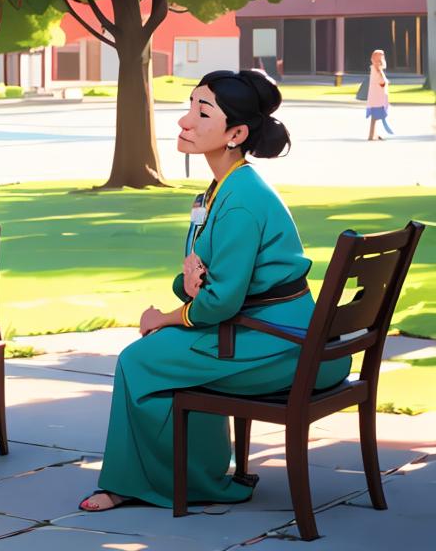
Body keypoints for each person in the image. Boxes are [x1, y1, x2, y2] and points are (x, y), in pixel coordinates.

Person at [79, 69, 351, 513]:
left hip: (288, 349)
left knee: (138, 360)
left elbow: (220, 301)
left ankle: (152, 482)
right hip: (291, 338)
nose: (184, 122)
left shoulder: (240, 199)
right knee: (163, 356)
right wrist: (187, 286)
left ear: (236, 133)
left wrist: (163, 317)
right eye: (189, 107)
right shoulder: (227, 187)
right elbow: (204, 278)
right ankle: (194, 476)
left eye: (201, 112)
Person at [366, 49, 393, 140]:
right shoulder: (377, 70)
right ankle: (371, 135)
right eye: (380, 59)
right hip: (377, 98)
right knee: (375, 116)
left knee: (375, 116)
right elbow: (381, 81)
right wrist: (385, 82)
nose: (382, 61)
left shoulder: (374, 69)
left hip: (376, 97)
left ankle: (373, 134)